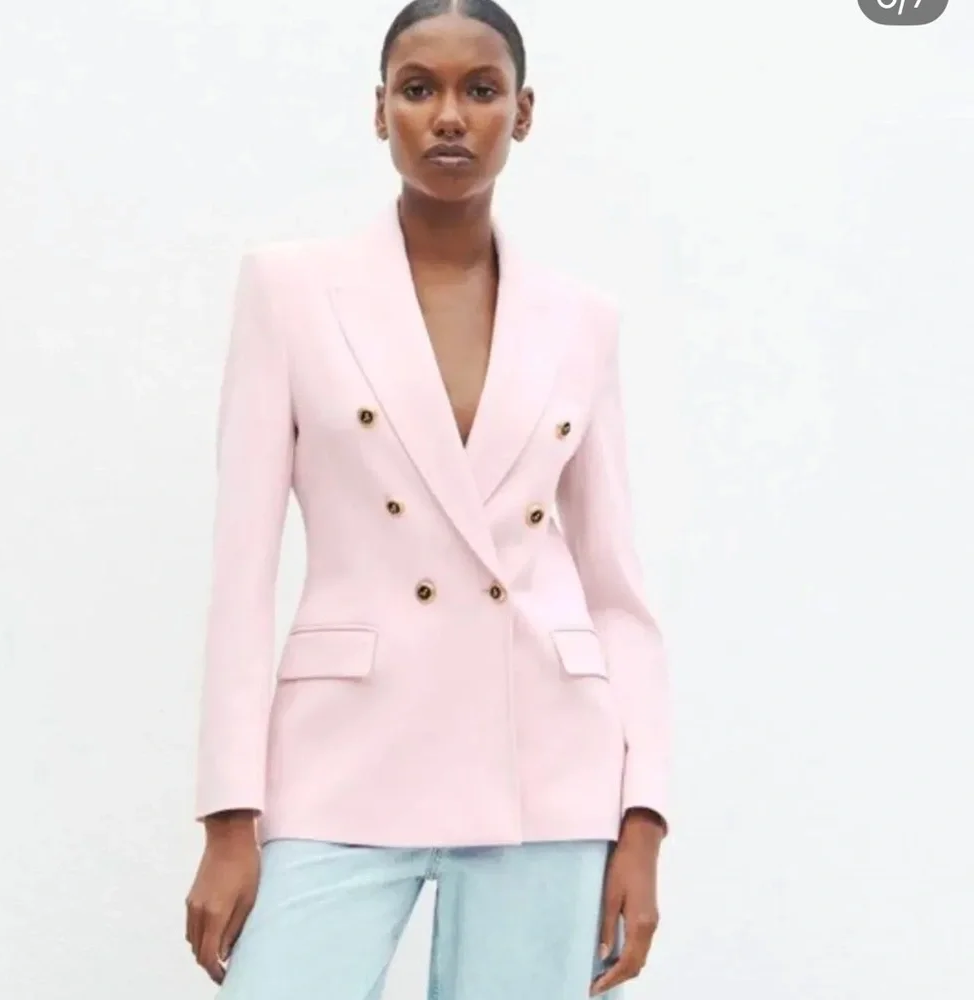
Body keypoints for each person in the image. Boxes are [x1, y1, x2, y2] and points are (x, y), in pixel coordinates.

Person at [184, 1, 672, 997]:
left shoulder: (583, 320)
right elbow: (240, 577)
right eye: (419, 89)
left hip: (547, 766)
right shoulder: (289, 291)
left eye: (480, 90)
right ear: (380, 111)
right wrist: (230, 814)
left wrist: (643, 817)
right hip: (341, 753)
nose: (449, 116)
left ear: (522, 113)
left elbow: (616, 590)